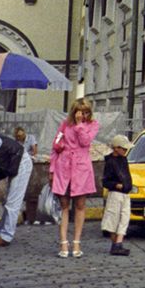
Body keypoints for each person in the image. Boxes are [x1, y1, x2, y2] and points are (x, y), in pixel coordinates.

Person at [51, 98, 100, 258]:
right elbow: (55, 147)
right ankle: (63, 241)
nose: (83, 115)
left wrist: (80, 126)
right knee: (64, 206)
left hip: (81, 169)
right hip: (64, 167)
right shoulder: (65, 125)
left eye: (86, 112)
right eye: (80, 112)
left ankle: (77, 241)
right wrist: (52, 169)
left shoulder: (92, 125)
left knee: (80, 205)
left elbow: (85, 142)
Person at [101, 135, 134, 256]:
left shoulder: (123, 160)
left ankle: (118, 243)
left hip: (125, 193)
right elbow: (105, 181)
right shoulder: (110, 162)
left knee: (124, 218)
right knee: (113, 219)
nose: (125, 151)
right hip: (115, 193)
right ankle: (115, 244)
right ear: (116, 148)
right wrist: (116, 185)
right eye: (123, 148)